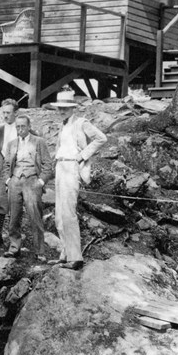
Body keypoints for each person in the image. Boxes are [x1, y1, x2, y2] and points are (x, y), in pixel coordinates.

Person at [51, 89, 106, 270]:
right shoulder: (63, 125)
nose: (62, 111)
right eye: (60, 108)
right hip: (60, 167)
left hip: (71, 168)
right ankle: (66, 252)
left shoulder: (81, 123)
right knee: (59, 214)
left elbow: (101, 138)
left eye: (65, 108)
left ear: (73, 108)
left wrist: (82, 156)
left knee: (68, 213)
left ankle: (75, 257)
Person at [2, 114, 53, 261]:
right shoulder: (12, 144)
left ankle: (40, 251)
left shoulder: (39, 142)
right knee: (14, 216)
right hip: (15, 181)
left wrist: (41, 182)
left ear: (29, 127)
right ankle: (14, 248)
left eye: (23, 126)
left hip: (32, 181)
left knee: (35, 215)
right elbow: (6, 165)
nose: (20, 129)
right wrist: (8, 181)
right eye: (17, 126)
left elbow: (47, 165)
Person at [0, 98, 19, 245]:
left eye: (8, 112)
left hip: (18, 168)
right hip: (2, 169)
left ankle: (15, 237)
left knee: (16, 203)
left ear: (16, 113)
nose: (6, 115)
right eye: (4, 113)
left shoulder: (22, 128)